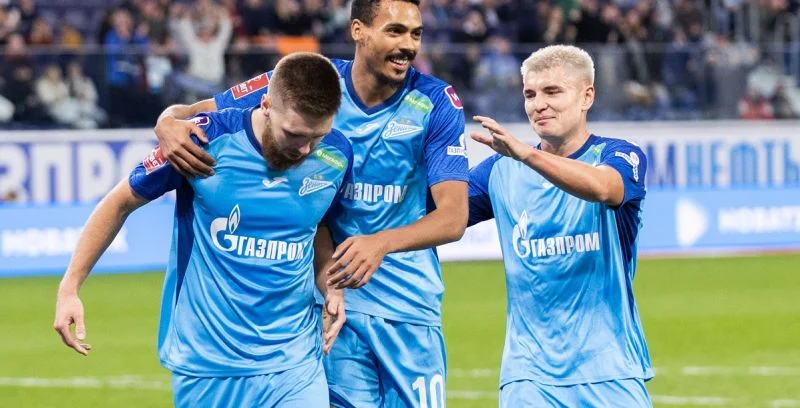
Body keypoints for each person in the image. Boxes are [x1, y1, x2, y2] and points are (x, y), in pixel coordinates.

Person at [152, 1, 469, 406]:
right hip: (333, 306)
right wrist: (166, 122)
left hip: (409, 306)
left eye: (416, 33)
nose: (408, 44)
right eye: (395, 31)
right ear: (358, 30)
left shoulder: (436, 101)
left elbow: (453, 218)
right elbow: (191, 113)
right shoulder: (308, 83)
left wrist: (381, 243)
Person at [53, 53, 350, 407]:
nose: (305, 149)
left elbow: (318, 228)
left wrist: (331, 286)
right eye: (295, 134)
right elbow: (119, 202)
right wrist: (70, 287)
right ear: (266, 105)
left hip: (296, 363)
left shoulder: (337, 157)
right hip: (207, 366)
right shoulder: (204, 139)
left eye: (317, 137)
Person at [467, 44, 653, 407]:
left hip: (610, 370)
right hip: (528, 378)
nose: (539, 104)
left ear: (587, 97)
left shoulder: (620, 154)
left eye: (552, 92)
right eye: (530, 94)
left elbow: (604, 188)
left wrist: (527, 154)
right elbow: (437, 212)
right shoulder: (499, 170)